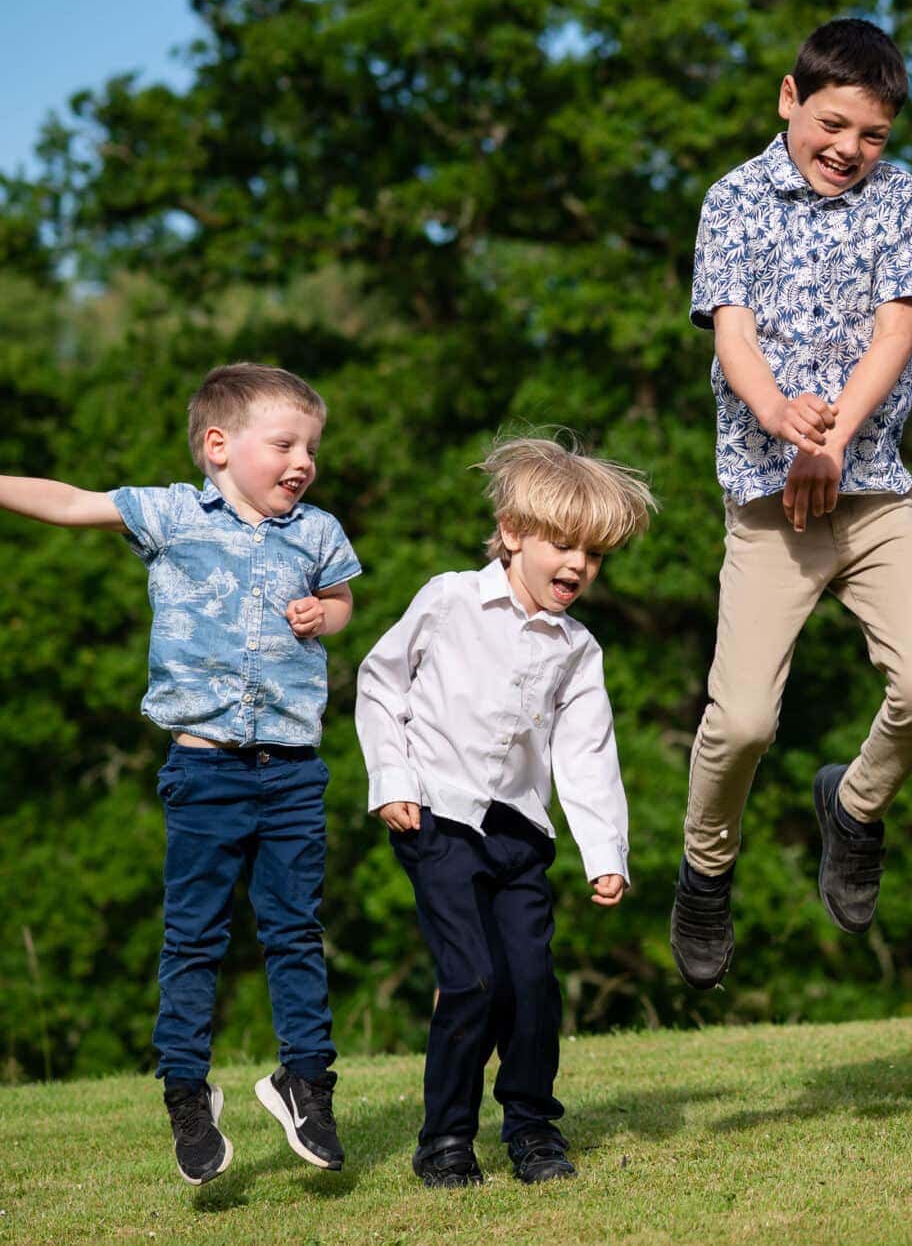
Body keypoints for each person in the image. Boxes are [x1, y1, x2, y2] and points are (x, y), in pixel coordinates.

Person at [0, 363, 360, 1185]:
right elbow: (69, 502)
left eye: (312, 446)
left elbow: (341, 600)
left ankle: (307, 1080)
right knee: (194, 938)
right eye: (285, 444)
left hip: (293, 770)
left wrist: (324, 613)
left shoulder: (317, 530)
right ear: (219, 446)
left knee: (296, 931)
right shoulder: (170, 513)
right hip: (204, 774)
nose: (302, 460)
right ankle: (187, 1097)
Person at [669, 17, 912, 989]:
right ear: (789, 99)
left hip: (872, 495)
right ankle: (706, 870)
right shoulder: (735, 199)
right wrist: (782, 419)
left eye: (872, 136)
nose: (849, 151)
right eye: (832, 125)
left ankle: (855, 805)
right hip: (766, 505)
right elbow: (734, 339)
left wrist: (830, 441)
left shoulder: (897, 197)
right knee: (743, 721)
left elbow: (896, 331)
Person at [356, 435, 656, 1185]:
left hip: (519, 834)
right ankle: (446, 1141)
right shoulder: (449, 598)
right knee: (470, 979)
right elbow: (380, 683)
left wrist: (606, 854)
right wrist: (392, 778)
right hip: (435, 818)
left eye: (594, 556)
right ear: (513, 533)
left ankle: (532, 1130)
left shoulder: (577, 649)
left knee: (530, 984)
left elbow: (585, 754)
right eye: (564, 545)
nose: (579, 567)